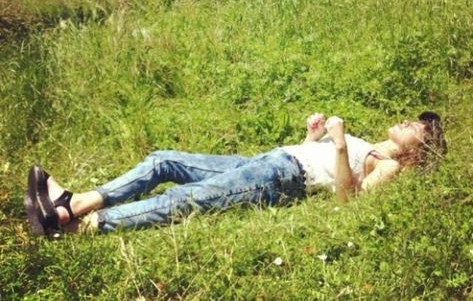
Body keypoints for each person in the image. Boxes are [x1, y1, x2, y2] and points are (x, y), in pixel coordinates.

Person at [25, 111, 446, 236]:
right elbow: (314, 159)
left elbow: (347, 202)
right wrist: (312, 136)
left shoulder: (389, 166)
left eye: (419, 129)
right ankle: (73, 204)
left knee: (184, 200)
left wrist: (337, 144)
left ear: (416, 154)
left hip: (279, 180)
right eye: (413, 120)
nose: (410, 122)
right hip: (268, 161)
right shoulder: (373, 144)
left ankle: (77, 224)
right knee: (162, 160)